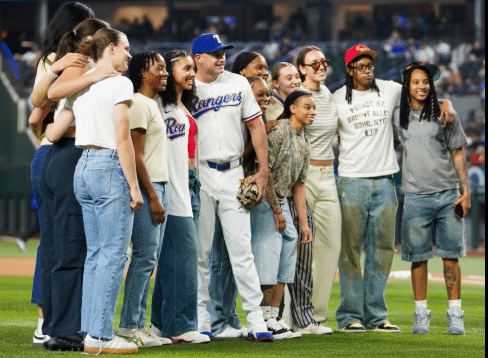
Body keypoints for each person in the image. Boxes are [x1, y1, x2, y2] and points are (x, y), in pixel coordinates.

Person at [333, 44, 454, 333]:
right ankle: (349, 316)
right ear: (349, 70)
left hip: (387, 180)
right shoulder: (336, 98)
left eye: (370, 65)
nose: (367, 70)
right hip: (351, 180)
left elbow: (421, 91)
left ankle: (376, 316)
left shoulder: (388, 89)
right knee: (350, 251)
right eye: (361, 66)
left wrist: (446, 101)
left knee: (383, 249)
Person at [48, 28, 143, 354]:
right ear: (111, 48)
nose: (129, 54)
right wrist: (134, 185)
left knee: (96, 255)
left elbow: (53, 98)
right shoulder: (119, 82)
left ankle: (91, 333)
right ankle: (101, 336)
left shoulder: (83, 84)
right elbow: (122, 138)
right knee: (114, 255)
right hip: (108, 166)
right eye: (126, 48)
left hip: (83, 167)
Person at [191, 33, 273, 342]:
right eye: (214, 53)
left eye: (223, 51)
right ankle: (201, 318)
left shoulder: (237, 82)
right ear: (198, 58)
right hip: (200, 174)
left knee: (242, 251)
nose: (221, 57)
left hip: (234, 173)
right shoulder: (187, 85)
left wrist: (263, 171)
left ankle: (256, 319)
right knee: (201, 252)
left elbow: (255, 125)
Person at [37, 17, 111, 353]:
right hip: (71, 157)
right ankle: (65, 330)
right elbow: (46, 107)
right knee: (72, 246)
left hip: (58, 156)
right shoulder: (84, 69)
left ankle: (55, 326)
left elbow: (48, 123)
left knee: (59, 247)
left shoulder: (76, 68)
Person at [27, 2, 94, 347]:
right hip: (59, 150)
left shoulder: (53, 60)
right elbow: (36, 114)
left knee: (54, 243)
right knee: (61, 242)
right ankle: (51, 323)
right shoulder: (61, 61)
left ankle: (49, 322)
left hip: (50, 153)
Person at [393, 62, 469, 335]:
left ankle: (455, 314)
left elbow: (458, 153)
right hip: (414, 197)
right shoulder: (397, 116)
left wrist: (466, 192)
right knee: (418, 258)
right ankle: (421, 314)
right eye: (416, 82)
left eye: (426, 81)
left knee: (451, 258)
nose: (422, 86)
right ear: (407, 85)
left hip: (449, 195)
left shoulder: (446, 113)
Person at [150, 49, 210, 344]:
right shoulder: (159, 106)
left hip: (187, 183)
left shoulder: (179, 105)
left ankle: (161, 323)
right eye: (185, 67)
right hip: (171, 184)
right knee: (184, 257)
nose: (191, 73)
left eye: (191, 68)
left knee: (173, 258)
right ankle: (181, 326)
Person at [115, 51, 171, 347]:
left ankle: (137, 324)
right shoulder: (137, 103)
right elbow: (135, 155)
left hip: (158, 187)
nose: (164, 72)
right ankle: (129, 326)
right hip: (150, 189)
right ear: (141, 73)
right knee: (143, 258)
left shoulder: (150, 103)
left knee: (148, 259)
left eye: (164, 67)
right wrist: (153, 196)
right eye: (158, 67)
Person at [252, 90, 313, 339]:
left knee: (285, 261)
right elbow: (263, 173)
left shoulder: (303, 140)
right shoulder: (277, 131)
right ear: (293, 109)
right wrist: (277, 210)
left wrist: (304, 223)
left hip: (284, 201)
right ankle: (263, 318)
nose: (312, 112)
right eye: (307, 107)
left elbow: (299, 185)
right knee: (268, 258)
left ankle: (274, 317)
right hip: (265, 200)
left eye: (314, 108)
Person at [295, 46, 341, 334]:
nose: (320, 67)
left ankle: (317, 317)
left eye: (323, 62)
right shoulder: (296, 96)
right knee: (301, 248)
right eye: (314, 63)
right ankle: (293, 314)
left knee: (330, 245)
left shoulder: (332, 97)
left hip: (328, 175)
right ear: (301, 68)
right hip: (303, 175)